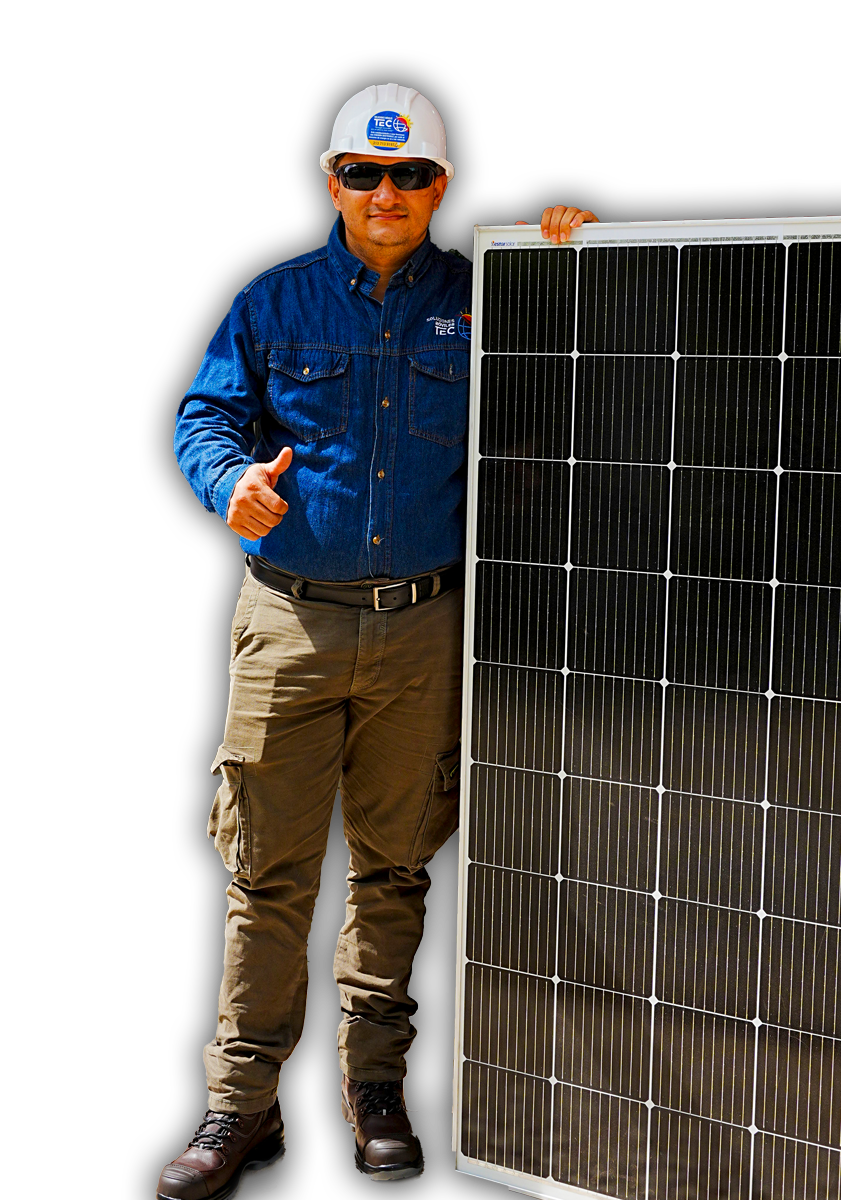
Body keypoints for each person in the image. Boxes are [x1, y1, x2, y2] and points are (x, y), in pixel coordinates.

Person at [157, 82, 596, 1198]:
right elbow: (202, 417)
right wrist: (229, 485)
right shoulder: (274, 301)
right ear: (331, 182)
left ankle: (376, 1093)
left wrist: (581, 263)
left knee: (396, 866)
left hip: (423, 629)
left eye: (410, 176)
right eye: (364, 173)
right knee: (266, 873)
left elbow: (589, 377)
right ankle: (240, 1109)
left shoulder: (490, 296)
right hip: (288, 622)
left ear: (441, 188)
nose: (386, 194)